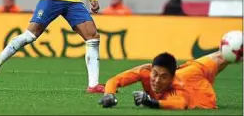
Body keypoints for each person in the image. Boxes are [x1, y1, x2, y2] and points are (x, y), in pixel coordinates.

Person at [99, 50, 242, 109]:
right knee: (221, 56)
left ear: (171, 78)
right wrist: (109, 94)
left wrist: (150, 102)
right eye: (155, 74)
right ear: (151, 69)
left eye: (163, 77)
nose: (156, 80)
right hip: (189, 70)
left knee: (226, 57)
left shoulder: (178, 85)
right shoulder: (146, 71)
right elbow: (115, 80)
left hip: (202, 94)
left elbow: (181, 104)